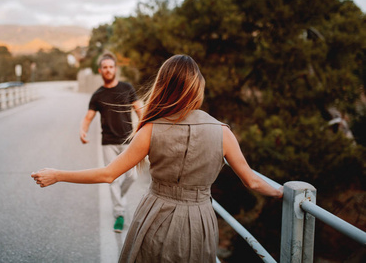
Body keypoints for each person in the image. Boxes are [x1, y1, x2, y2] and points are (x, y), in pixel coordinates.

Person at [31, 54, 283, 263]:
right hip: (200, 220)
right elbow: (252, 182)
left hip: (155, 215)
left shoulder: (151, 129)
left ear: (164, 86)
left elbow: (108, 174)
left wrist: (58, 175)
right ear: (197, 86)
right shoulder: (223, 132)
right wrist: (284, 193)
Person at [79, 51, 142, 233]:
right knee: (112, 179)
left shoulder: (127, 88)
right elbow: (88, 117)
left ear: (115, 69)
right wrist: (82, 130)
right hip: (108, 142)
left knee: (132, 176)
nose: (108, 70)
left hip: (128, 141)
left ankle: (117, 199)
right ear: (100, 70)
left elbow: (140, 111)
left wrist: (144, 130)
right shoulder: (98, 95)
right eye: (105, 67)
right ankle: (119, 214)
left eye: (111, 67)